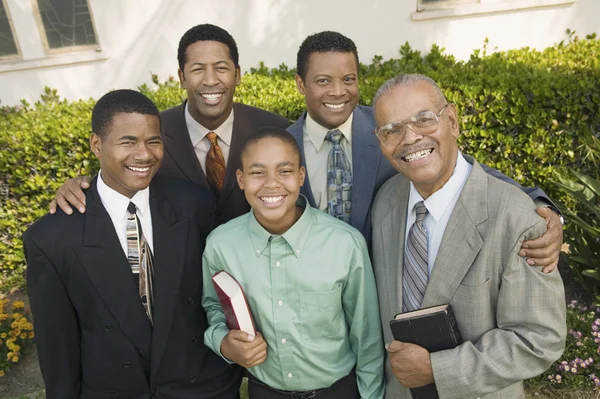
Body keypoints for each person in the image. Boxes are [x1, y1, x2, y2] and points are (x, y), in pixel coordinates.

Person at [24, 90, 241, 398]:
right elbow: (57, 347)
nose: (144, 154)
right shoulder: (50, 238)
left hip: (201, 388)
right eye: (128, 141)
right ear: (96, 145)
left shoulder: (195, 205)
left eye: (153, 141)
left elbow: (220, 295)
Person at [287, 30, 563, 270]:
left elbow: (463, 170)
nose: (338, 92)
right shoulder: (282, 146)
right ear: (301, 84)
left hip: (384, 294)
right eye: (323, 81)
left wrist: (543, 211)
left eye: (348, 79)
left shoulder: (390, 129)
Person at [370, 74, 566, 398]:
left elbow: (539, 338)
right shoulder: (386, 202)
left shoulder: (517, 217)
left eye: (423, 119)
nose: (410, 137)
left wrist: (436, 369)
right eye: (391, 130)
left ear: (452, 121)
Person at [201, 127, 385, 398]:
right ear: (241, 179)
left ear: (301, 176)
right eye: (258, 172)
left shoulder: (345, 244)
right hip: (265, 391)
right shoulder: (221, 244)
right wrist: (222, 342)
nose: (271, 183)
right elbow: (213, 305)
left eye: (284, 171)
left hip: (337, 391)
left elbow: (366, 336)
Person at [50, 24, 289, 225]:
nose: (210, 80)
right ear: (182, 78)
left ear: (237, 74)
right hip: (178, 272)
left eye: (221, 68)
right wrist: (81, 187)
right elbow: (117, 177)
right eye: (197, 69)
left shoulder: (275, 129)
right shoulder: (151, 133)